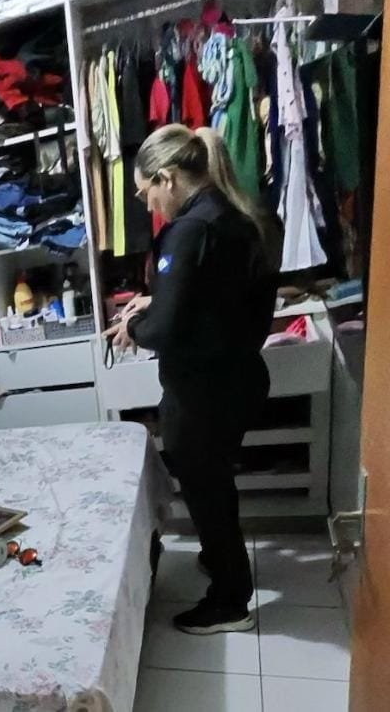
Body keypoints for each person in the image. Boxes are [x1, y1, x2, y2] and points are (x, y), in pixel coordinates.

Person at [105, 125, 276, 635]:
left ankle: (230, 601)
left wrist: (134, 326)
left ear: (167, 177)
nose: (149, 205)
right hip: (240, 377)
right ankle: (220, 559)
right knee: (216, 483)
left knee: (206, 492)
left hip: (203, 391)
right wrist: (158, 300)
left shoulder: (188, 231)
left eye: (146, 193)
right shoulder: (241, 217)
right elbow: (216, 297)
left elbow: (165, 330)